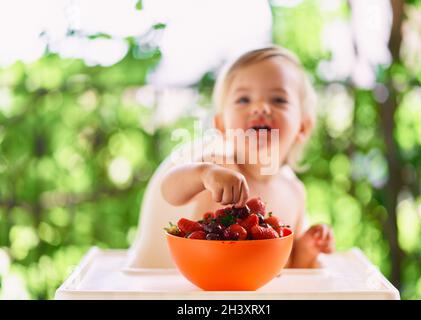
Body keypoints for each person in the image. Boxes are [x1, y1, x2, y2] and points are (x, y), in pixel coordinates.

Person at [126, 45, 334, 269]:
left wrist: (309, 248)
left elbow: (290, 264)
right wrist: (204, 174)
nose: (261, 107)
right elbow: (169, 190)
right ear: (222, 125)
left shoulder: (294, 192)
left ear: (303, 127)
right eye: (244, 99)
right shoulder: (219, 164)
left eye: (278, 100)